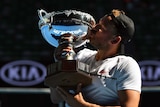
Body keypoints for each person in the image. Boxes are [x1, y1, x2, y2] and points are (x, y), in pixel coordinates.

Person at [50, 9, 142, 107]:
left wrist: (82, 105)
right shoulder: (81, 55)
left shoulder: (125, 65)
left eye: (101, 28)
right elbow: (56, 98)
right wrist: (60, 63)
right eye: (98, 23)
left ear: (115, 40)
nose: (93, 28)